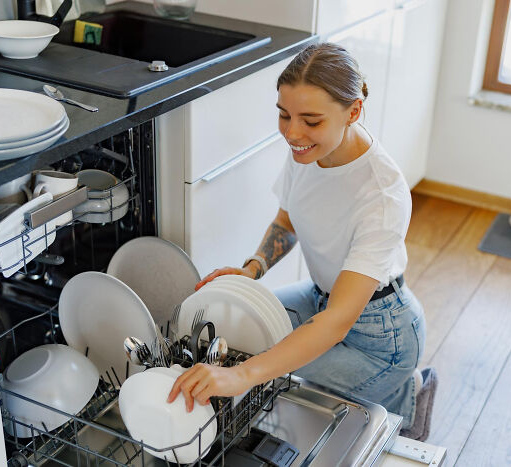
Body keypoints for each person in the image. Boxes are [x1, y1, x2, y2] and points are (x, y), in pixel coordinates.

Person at [168, 42, 437, 440]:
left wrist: (241, 376)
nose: (293, 133)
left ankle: (405, 399)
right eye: (284, 115)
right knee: (244, 331)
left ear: (353, 111)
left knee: (264, 366)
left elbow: (336, 323)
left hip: (382, 336)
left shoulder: (381, 195)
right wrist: (250, 270)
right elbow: (288, 219)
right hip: (320, 295)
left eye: (310, 120)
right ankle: (396, 398)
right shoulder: (309, 149)